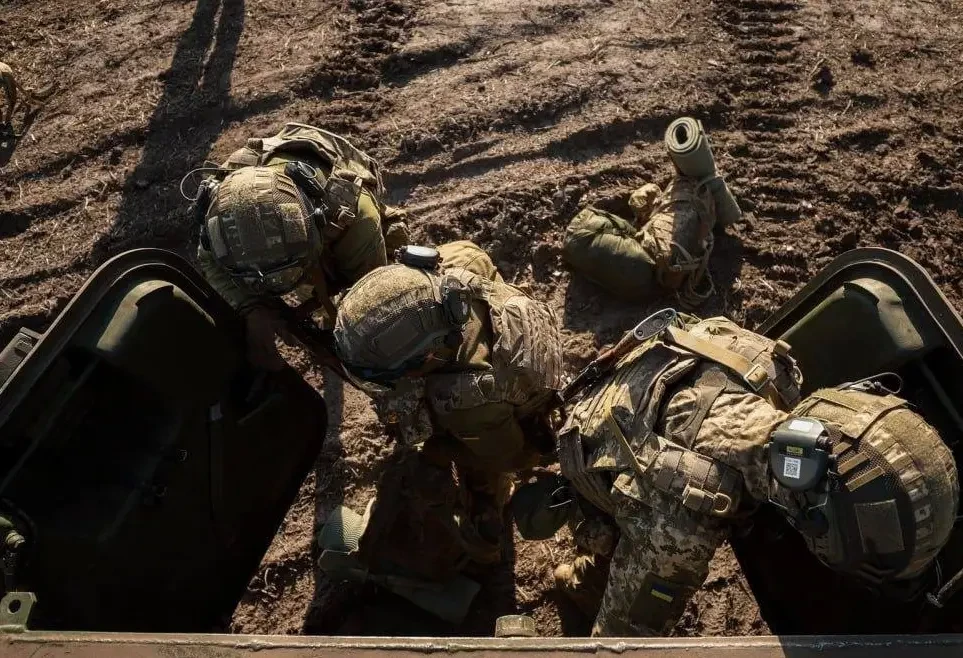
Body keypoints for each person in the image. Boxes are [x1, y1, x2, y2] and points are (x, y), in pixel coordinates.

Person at [537, 309, 957, 636]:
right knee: (631, 567)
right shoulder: (679, 530)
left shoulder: (772, 367)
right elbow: (622, 640)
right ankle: (589, 581)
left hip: (645, 377)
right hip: (594, 447)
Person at [331, 241, 564, 562]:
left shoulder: (470, 402)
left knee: (492, 460)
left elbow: (514, 456)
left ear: (429, 356)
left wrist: (437, 451)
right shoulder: (456, 261)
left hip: (511, 408)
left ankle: (485, 499)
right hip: (512, 337)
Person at [192, 122, 409, 370]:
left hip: (337, 210)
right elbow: (211, 263)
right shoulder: (221, 225)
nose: (277, 286)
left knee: (383, 304)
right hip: (290, 224)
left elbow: (373, 300)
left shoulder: (355, 217)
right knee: (309, 286)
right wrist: (252, 308)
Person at [563, 176, 715, 307]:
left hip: (648, 271)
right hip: (649, 281)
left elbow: (632, 220)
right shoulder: (650, 269)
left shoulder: (647, 262)